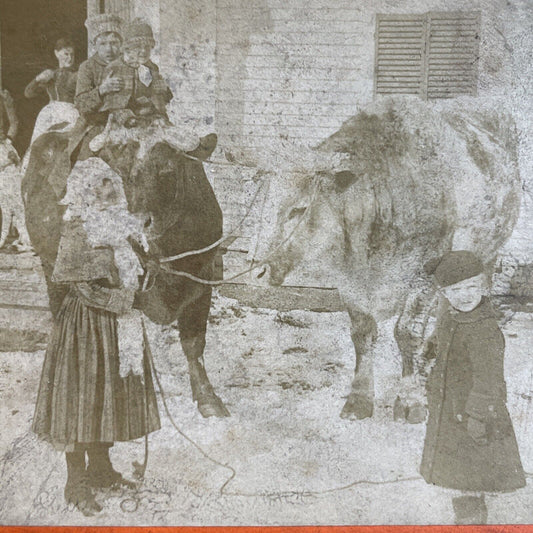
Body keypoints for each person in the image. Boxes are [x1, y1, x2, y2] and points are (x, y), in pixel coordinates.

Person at [32, 156, 160, 516]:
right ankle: (76, 482)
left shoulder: (123, 226)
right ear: (84, 192)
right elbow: (82, 286)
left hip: (117, 324)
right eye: (99, 186)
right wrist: (124, 298)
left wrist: (145, 270)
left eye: (110, 185)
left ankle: (101, 468)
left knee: (110, 395)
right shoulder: (77, 228)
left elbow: (135, 266)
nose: (108, 191)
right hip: (86, 325)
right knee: (81, 398)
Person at [421, 250, 526, 524]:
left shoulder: (484, 329)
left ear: (484, 287)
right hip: (453, 413)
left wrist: (478, 417)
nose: (465, 295)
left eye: (472, 287)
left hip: (476, 417)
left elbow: (489, 380)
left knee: (472, 479)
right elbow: (444, 355)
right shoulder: (451, 318)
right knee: (459, 477)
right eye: (456, 289)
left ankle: (472, 522)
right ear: (444, 294)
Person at [99, 19, 172, 128]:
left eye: (147, 47)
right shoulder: (114, 68)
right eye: (138, 47)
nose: (143, 51)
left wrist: (164, 90)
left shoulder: (151, 67)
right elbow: (113, 106)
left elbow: (161, 100)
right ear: (127, 48)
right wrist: (130, 120)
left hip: (151, 120)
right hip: (123, 123)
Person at [24, 38, 79, 146]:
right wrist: (37, 79)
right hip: (51, 114)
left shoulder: (78, 74)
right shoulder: (51, 75)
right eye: (66, 54)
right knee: (41, 146)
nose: (69, 58)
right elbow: (28, 93)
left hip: (71, 113)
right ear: (57, 53)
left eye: (72, 54)